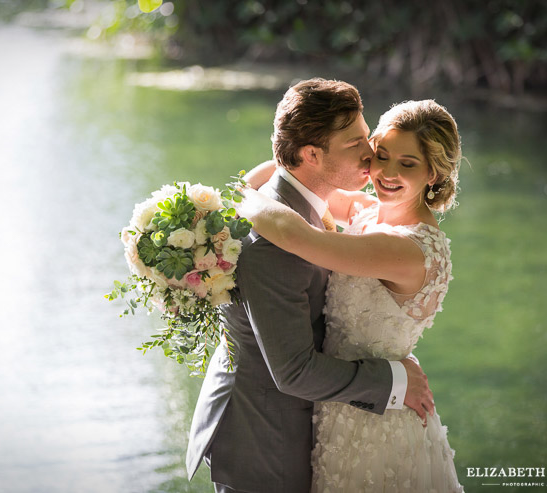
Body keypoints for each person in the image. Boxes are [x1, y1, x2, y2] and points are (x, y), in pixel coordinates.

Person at [186, 79, 435, 492]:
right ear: (312, 154)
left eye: (366, 134)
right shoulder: (274, 243)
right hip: (265, 438)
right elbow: (294, 371)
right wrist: (395, 382)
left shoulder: (303, 203)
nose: (370, 152)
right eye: (355, 142)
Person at [237, 99, 465, 491]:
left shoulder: (408, 250)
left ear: (434, 174)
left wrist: (239, 195)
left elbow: (295, 236)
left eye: (407, 164)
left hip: (377, 419)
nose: (387, 173)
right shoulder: (368, 210)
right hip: (340, 404)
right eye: (381, 154)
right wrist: (290, 160)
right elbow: (289, 172)